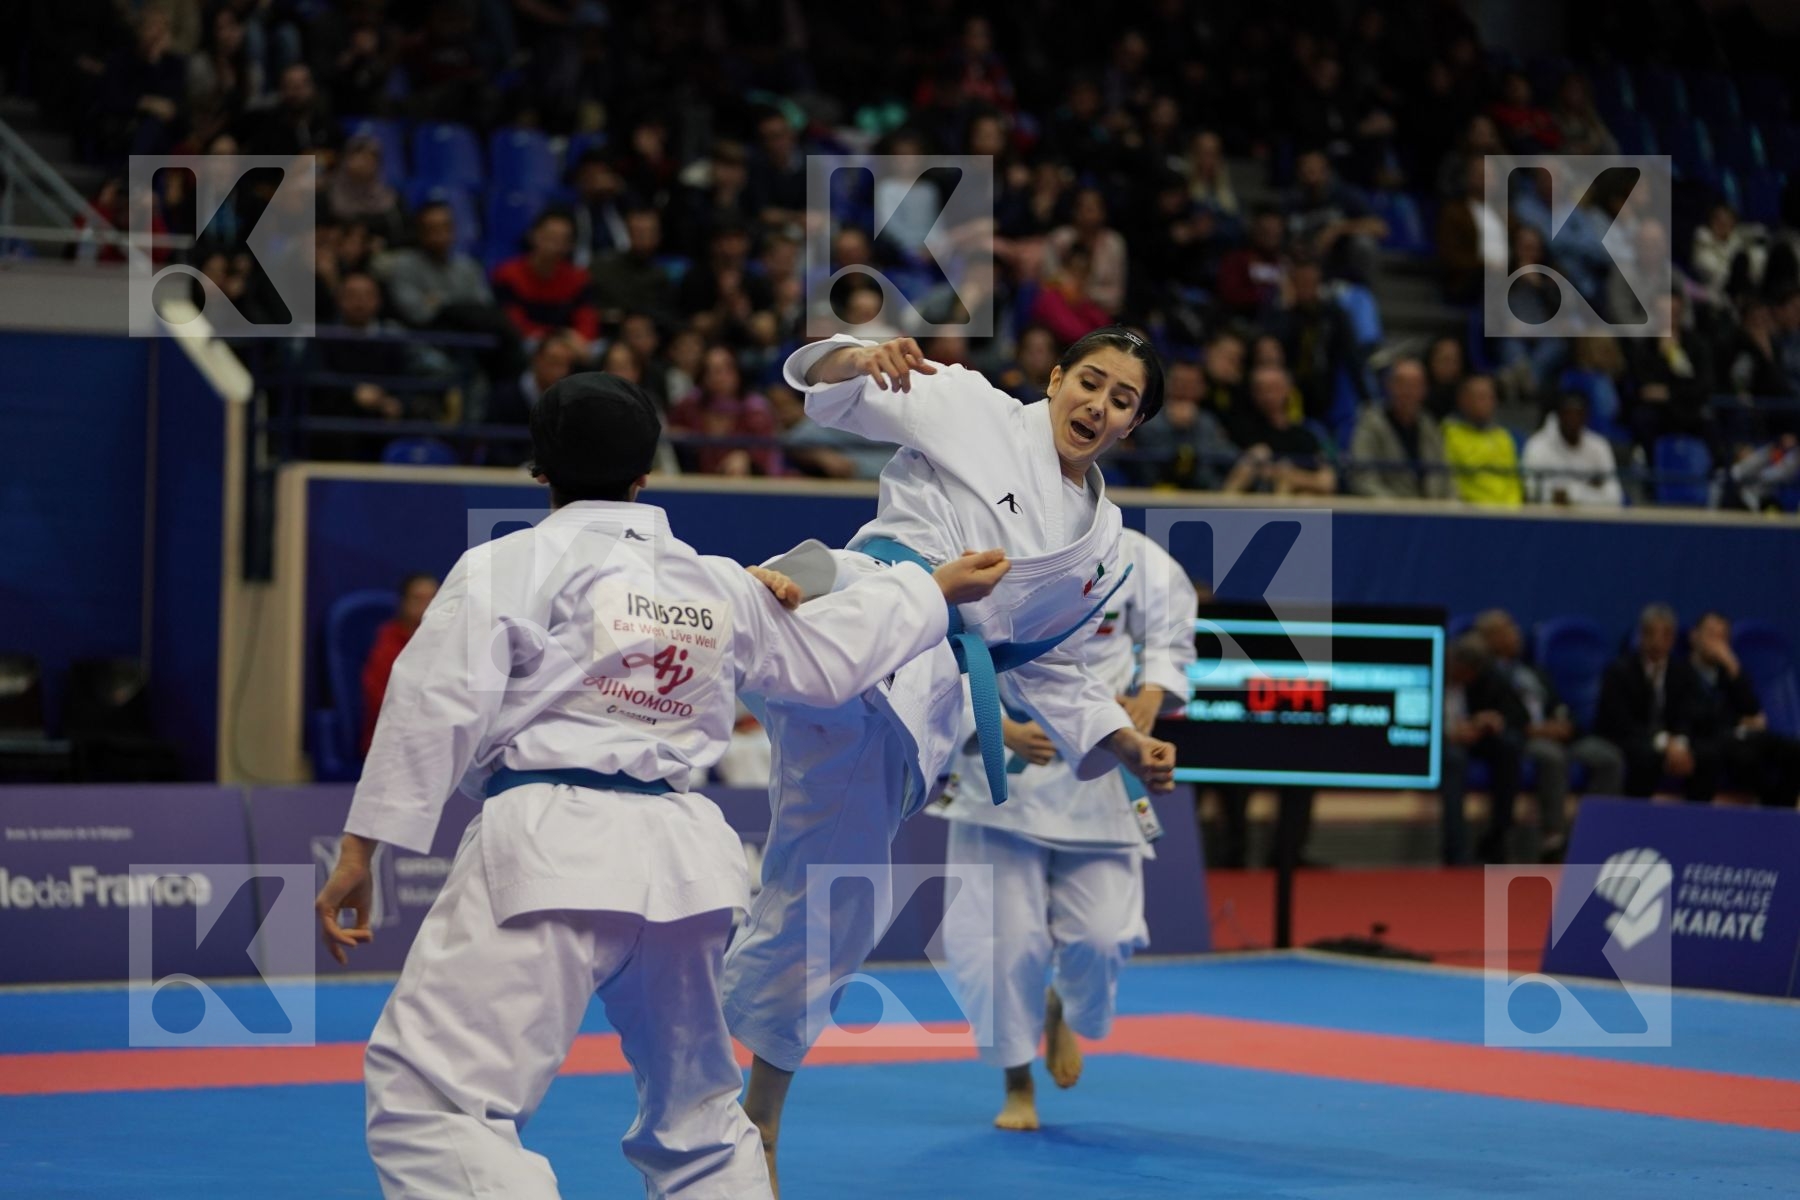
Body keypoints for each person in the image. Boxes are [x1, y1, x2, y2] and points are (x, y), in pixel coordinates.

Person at [314, 370, 1014, 1199]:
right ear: (648, 471)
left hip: (550, 846)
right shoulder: (719, 582)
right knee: (700, 1121)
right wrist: (930, 591)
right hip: (684, 868)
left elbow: (433, 703)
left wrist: (362, 850)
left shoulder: (508, 564)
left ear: (538, 471)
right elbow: (830, 660)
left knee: (432, 1099)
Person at [721, 329, 1178, 1195]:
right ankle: (784, 592)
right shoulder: (973, 406)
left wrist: (1124, 740)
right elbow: (824, 388)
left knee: (838, 902)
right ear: (1054, 378)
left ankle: (757, 1111)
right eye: (1089, 382)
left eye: (1122, 400)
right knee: (782, 616)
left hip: (923, 695)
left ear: (1134, 424)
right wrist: (855, 357)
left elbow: (1045, 665)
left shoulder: (1103, 552)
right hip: (879, 596)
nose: (1097, 405)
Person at [934, 528, 1196, 1130]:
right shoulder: (982, 543)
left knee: (1103, 936)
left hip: (1098, 763)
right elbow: (939, 645)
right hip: (1003, 770)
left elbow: (1172, 624)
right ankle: (1017, 1083)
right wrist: (991, 723)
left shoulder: (1132, 552)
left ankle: (1061, 1006)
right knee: (1004, 945)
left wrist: (1153, 692)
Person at [1474, 610, 1625, 860]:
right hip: (1526, 739)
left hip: (1560, 735)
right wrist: (1535, 730)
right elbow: (1496, 716)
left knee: (1609, 758)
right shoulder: (1485, 676)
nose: (1515, 634)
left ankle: (1592, 837)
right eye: (1506, 630)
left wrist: (1564, 723)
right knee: (1552, 757)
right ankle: (1553, 838)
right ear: (1489, 639)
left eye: (1513, 627)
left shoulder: (1533, 671)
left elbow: (1557, 703)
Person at [1596, 604, 1711, 801]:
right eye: (1651, 634)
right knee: (1645, 757)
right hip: (1631, 738)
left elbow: (1690, 713)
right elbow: (1621, 723)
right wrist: (1665, 743)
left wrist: (1680, 743)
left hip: (1673, 742)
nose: (1657, 642)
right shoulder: (1619, 671)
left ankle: (1696, 822)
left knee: (1707, 756)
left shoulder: (1682, 672)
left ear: (1673, 638)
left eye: (1665, 635)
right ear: (1641, 635)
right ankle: (1636, 821)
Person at [1689, 612, 1800, 808]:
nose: (1717, 644)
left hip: (1743, 737)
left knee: (1793, 751)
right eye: (1711, 635)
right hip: (1709, 740)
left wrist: (1733, 667)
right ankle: (1770, 810)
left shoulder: (1731, 673)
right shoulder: (1680, 672)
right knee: (1746, 758)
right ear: (1695, 637)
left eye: (1722, 638)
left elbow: (1753, 710)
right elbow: (1692, 716)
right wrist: (1736, 722)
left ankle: (1784, 812)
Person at [1441, 633, 1528, 864]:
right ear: (1453, 662)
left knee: (1508, 746)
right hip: (1441, 744)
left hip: (1473, 739)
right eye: (1462, 670)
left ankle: (1498, 837)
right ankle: (1457, 854)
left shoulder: (1484, 678)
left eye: (1472, 673)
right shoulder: (1434, 673)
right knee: (1454, 759)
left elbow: (1519, 716)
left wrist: (1491, 720)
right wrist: (1449, 733)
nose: (1466, 677)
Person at [1221, 365, 1337, 496]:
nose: (1268, 395)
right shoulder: (1242, 431)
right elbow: (1232, 485)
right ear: (1253, 393)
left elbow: (1327, 482)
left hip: (1295, 507)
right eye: (1261, 389)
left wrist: (1288, 475)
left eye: (1274, 388)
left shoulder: (1305, 436)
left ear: (1288, 389)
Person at [491, 209, 601, 344]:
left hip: (570, 347)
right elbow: (513, 323)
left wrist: (575, 341)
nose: (554, 245)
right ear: (533, 235)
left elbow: (587, 322)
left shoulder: (580, 279)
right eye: (549, 236)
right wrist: (554, 339)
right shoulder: (507, 275)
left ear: (570, 245)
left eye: (562, 239)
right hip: (525, 344)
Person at [1348, 358, 1451, 500]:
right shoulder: (1370, 424)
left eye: (1415, 385)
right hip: (1388, 514)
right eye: (1402, 384)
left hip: (1432, 513)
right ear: (1389, 385)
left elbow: (1446, 477)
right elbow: (1363, 479)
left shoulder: (1429, 425)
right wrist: (1400, 509)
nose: (1408, 392)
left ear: (1424, 390)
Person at [359, 574, 439, 755]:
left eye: (432, 598)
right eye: (418, 598)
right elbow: (381, 698)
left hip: (438, 735)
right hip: (394, 738)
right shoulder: (388, 641)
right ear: (403, 602)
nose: (426, 605)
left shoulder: (449, 641)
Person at [1128, 359, 1231, 490]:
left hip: (1204, 493)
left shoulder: (1208, 421)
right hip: (1153, 494)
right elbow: (1151, 470)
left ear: (1202, 388)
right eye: (1180, 382)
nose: (1184, 389)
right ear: (1167, 384)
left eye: (1191, 384)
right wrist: (1177, 431)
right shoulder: (1148, 418)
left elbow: (1225, 457)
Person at [1521, 393, 1624, 507]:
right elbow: (1532, 494)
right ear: (1559, 415)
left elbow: (1614, 497)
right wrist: (1590, 488)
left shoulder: (1599, 447)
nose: (1573, 419)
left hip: (1590, 521)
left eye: (1578, 414)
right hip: (1548, 521)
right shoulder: (1537, 446)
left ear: (1586, 417)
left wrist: (1570, 494)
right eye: (1568, 414)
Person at [1442, 375, 1522, 506]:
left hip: (1509, 515)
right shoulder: (1449, 434)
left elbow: (1514, 480)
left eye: (1491, 397)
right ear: (1463, 400)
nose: (1488, 403)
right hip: (1471, 515)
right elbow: (1451, 481)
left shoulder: (1503, 436)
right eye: (1481, 397)